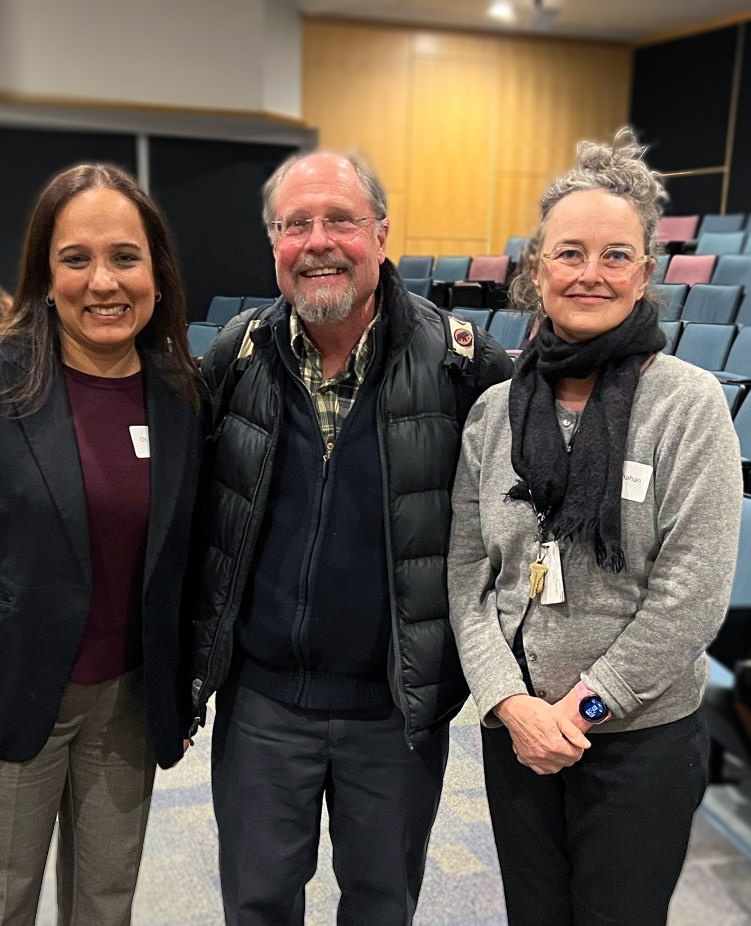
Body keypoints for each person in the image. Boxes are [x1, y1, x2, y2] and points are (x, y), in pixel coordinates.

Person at [190, 151, 512, 925]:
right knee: (257, 905)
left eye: (340, 219)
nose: (318, 241)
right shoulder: (237, 354)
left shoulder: (464, 366)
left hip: (393, 710)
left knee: (380, 906)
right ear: (274, 246)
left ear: (382, 234)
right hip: (263, 704)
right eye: (295, 224)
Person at [0, 164, 202, 926]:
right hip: (5, 702)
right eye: (77, 258)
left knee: (105, 905)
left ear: (156, 271)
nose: (104, 282)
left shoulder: (180, 389)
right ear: (44, 270)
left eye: (125, 257)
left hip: (128, 704)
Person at [447, 130, 743, 926]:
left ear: (646, 275)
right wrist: (511, 704)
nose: (590, 274)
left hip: (639, 739)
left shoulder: (689, 404)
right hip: (520, 734)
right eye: (570, 253)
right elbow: (469, 578)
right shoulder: (492, 411)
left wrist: (582, 709)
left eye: (616, 256)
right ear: (537, 270)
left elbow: (695, 591)